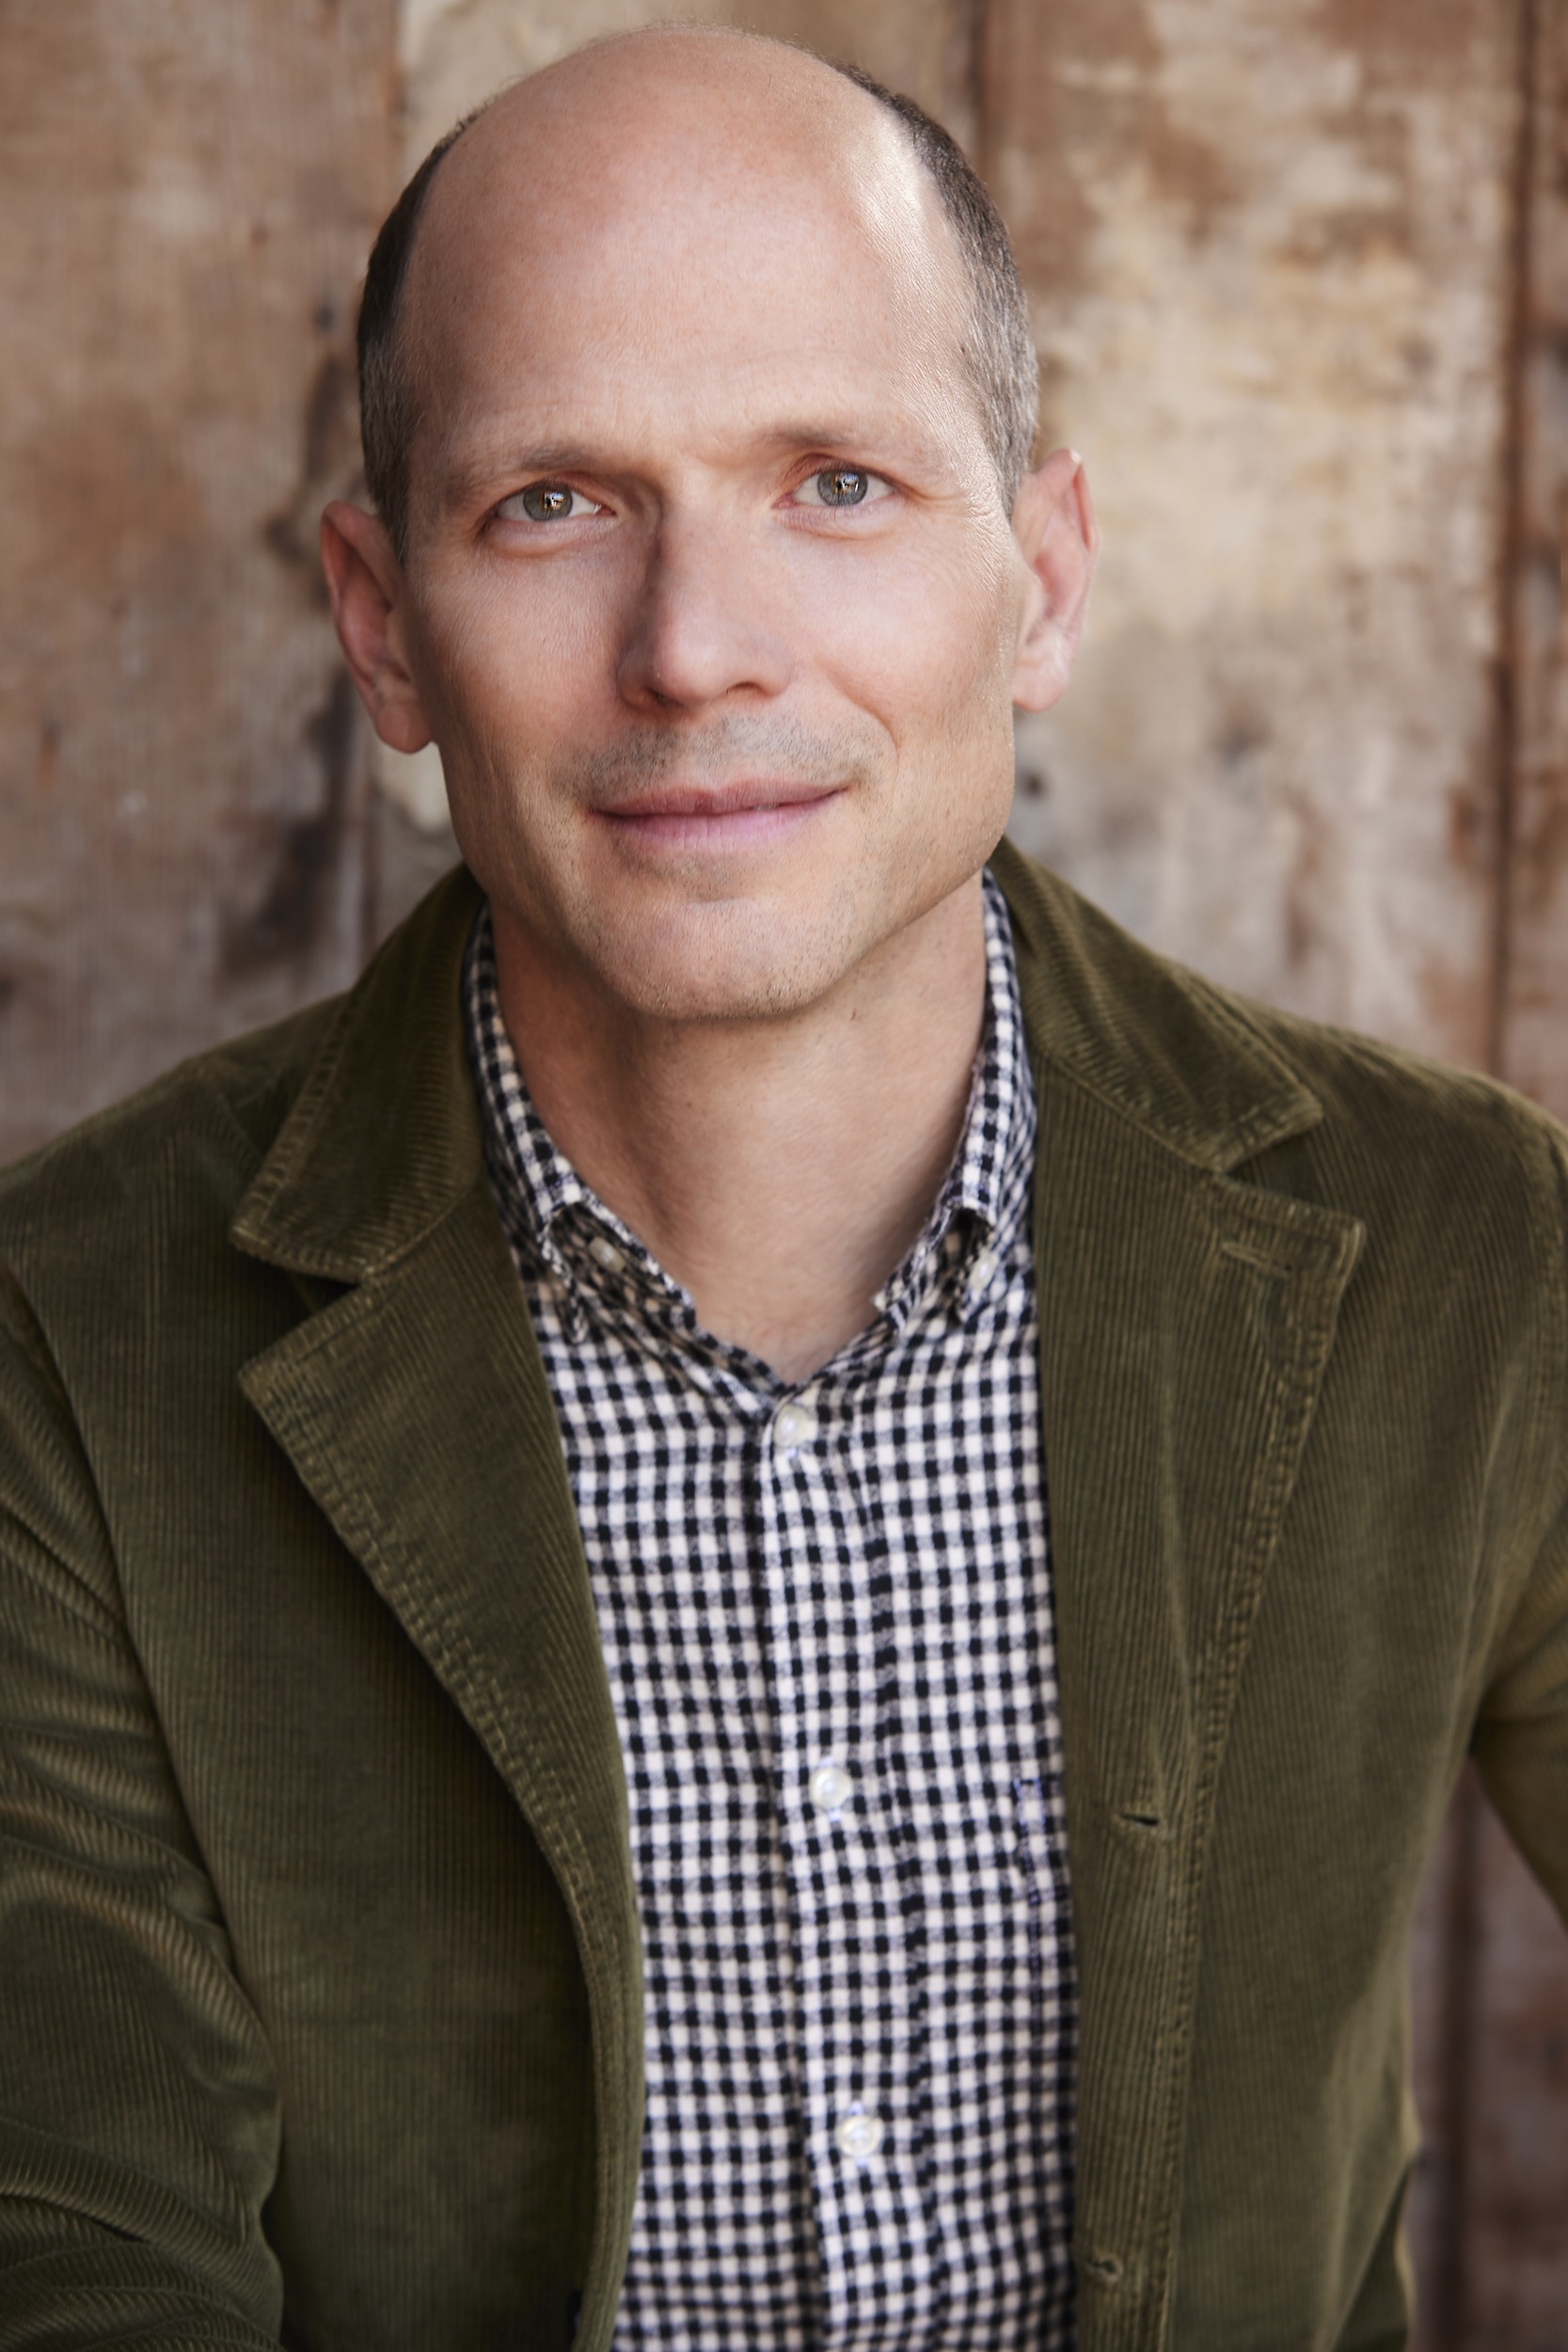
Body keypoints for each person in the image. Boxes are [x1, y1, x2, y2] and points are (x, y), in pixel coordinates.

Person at [0, 24, 1564, 2351]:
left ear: (1037, 579)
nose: (697, 645)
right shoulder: (65, 1338)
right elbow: (81, 2274)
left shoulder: (1472, 1246)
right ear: (378, 617)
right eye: (553, 502)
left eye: (835, 481)